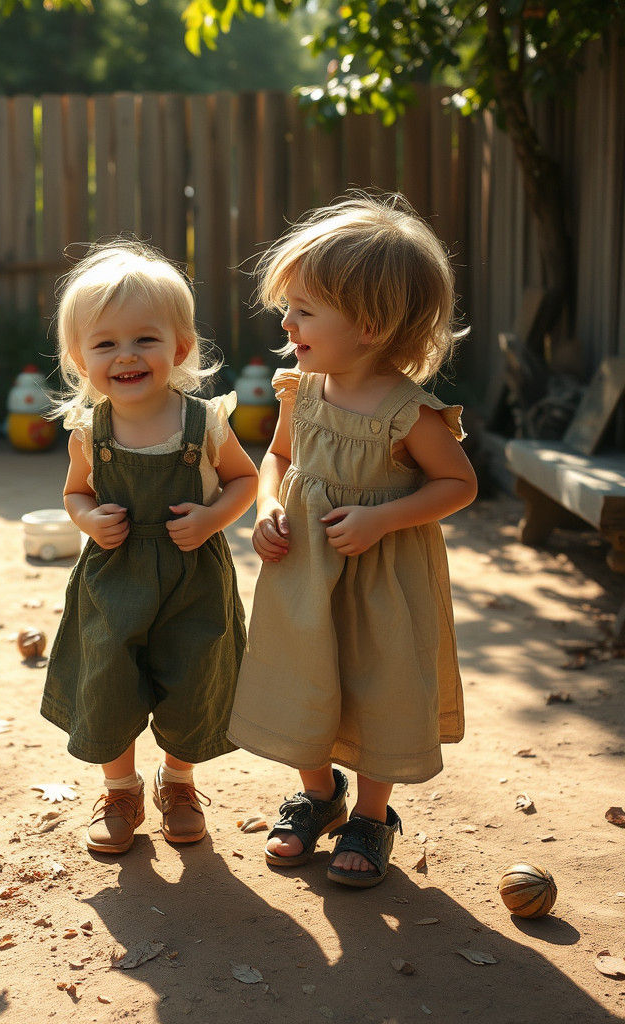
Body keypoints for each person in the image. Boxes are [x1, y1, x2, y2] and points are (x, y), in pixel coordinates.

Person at [229, 193, 477, 888]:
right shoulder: (300, 389)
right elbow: (277, 459)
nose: (287, 322)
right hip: (304, 570)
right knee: (299, 675)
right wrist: (269, 509)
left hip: (382, 581)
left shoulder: (410, 412)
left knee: (380, 686)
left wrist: (382, 519)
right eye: (290, 307)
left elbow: (458, 485)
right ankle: (318, 794)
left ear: (368, 325)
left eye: (305, 310)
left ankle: (371, 816)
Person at [41, 240, 258, 855]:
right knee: (108, 681)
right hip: (115, 577)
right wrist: (89, 521)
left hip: (192, 577)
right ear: (81, 358)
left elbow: (244, 480)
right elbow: (74, 494)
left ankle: (179, 783)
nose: (126, 355)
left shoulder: (204, 423)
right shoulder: (89, 432)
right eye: (105, 343)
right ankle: (120, 789)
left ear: (180, 348)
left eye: (145, 339)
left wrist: (213, 518)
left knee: (194, 679)